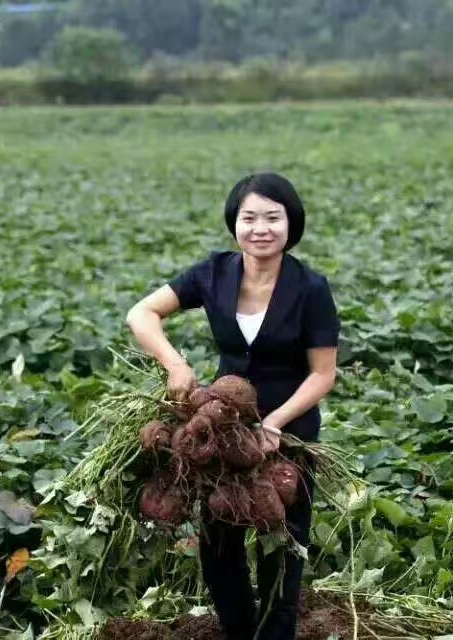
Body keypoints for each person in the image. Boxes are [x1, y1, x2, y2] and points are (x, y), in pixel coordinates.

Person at [125, 172, 341, 640]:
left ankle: (277, 633)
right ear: (234, 224)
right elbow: (141, 314)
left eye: (273, 218)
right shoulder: (213, 272)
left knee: (282, 548)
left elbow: (323, 373)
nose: (261, 228)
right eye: (250, 218)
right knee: (219, 549)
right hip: (222, 430)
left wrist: (278, 421)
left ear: (291, 225)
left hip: (291, 433)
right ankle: (241, 632)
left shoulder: (310, 288)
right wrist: (175, 365)